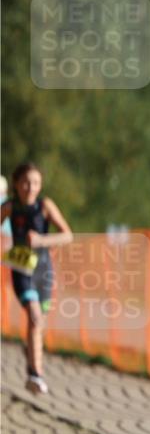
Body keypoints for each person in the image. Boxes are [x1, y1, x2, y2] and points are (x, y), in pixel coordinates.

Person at [0, 163, 74, 395]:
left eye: (35, 183)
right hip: (22, 270)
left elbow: (67, 235)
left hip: (43, 271)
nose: (30, 187)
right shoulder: (10, 207)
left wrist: (42, 241)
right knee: (33, 316)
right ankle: (36, 375)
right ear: (16, 184)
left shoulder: (45, 206)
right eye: (25, 182)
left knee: (38, 325)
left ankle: (31, 353)